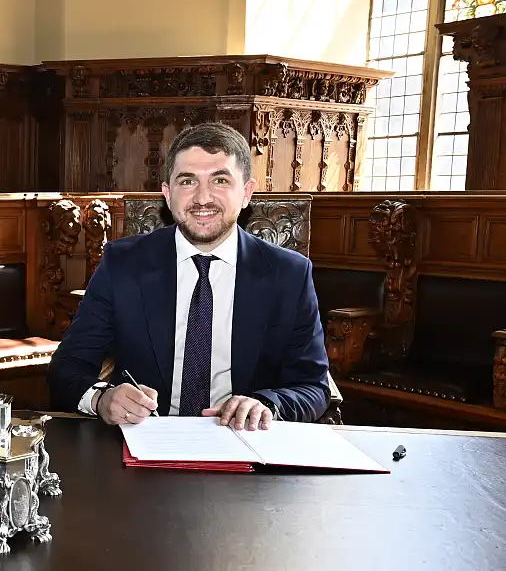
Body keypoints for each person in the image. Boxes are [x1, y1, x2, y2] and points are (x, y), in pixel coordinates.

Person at [47, 122, 330, 430]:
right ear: (167, 195)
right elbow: (68, 368)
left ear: (246, 193)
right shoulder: (123, 263)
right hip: (145, 443)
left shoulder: (288, 274)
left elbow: (312, 387)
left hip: (244, 444)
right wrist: (101, 399)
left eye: (220, 180)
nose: (203, 198)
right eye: (187, 181)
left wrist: (267, 405)